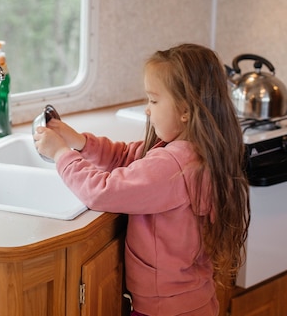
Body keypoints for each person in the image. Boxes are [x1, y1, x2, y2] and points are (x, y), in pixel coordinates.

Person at [33, 43, 250, 316]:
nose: (147, 110)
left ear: (185, 110)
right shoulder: (196, 149)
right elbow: (127, 156)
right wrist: (79, 142)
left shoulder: (172, 166)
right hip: (194, 301)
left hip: (164, 309)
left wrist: (61, 154)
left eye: (154, 100)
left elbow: (103, 191)